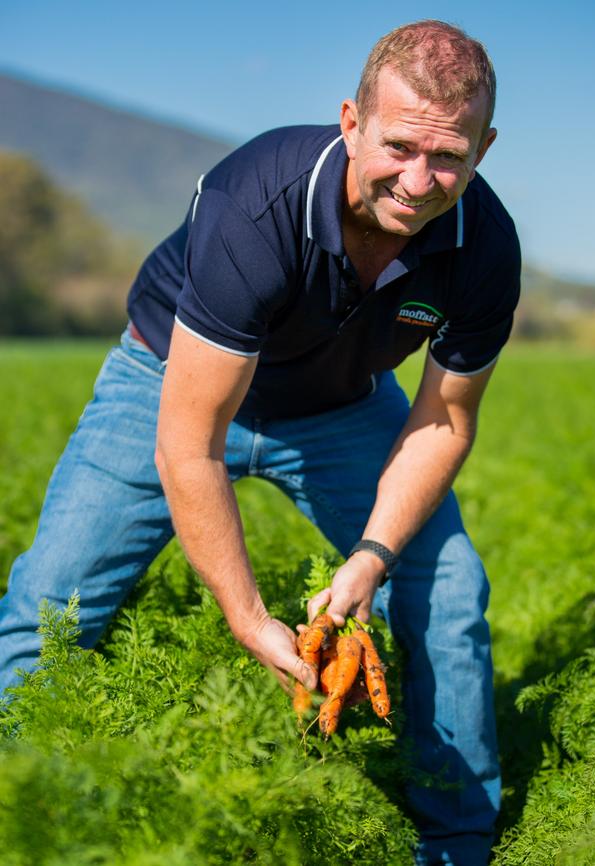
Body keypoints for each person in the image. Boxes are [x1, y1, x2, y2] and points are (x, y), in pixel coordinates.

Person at [0, 20, 520, 866]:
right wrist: (248, 620)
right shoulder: (258, 201)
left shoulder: (484, 247)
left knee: (445, 586)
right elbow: (190, 443)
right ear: (350, 121)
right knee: (52, 607)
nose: (419, 183)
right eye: (397, 147)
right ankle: (15, 807)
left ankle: (455, 840)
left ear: (484, 147)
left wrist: (372, 557)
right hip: (172, 391)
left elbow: (445, 421)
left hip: (340, 407)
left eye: (450, 158)